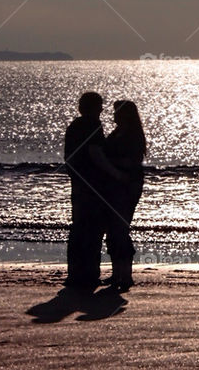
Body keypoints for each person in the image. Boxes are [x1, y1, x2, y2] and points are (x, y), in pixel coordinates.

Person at [62, 91, 126, 292]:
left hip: (79, 183)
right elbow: (95, 153)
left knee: (79, 227)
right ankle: (88, 274)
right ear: (97, 107)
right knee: (92, 229)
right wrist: (115, 173)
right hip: (92, 185)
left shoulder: (74, 126)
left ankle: (75, 273)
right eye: (100, 106)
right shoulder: (92, 125)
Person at [103, 99, 147, 292]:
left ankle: (125, 274)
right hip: (116, 185)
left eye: (116, 112)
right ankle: (117, 273)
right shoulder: (118, 133)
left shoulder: (132, 135)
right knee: (113, 228)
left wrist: (108, 162)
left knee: (119, 228)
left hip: (128, 185)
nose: (113, 115)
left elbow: (132, 162)